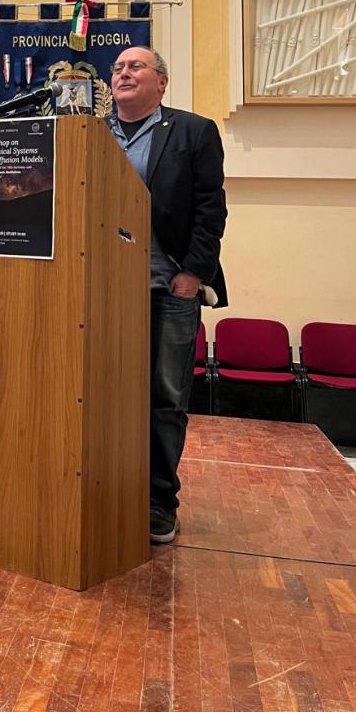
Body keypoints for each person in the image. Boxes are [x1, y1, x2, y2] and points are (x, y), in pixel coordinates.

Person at [108, 47, 227, 544]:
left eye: (135, 66)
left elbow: (210, 209)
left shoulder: (192, 131)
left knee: (165, 397)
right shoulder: (91, 134)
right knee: (105, 394)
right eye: (117, 68)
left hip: (169, 288)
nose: (123, 73)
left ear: (161, 82)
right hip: (104, 292)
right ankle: (108, 493)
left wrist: (194, 274)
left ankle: (159, 502)